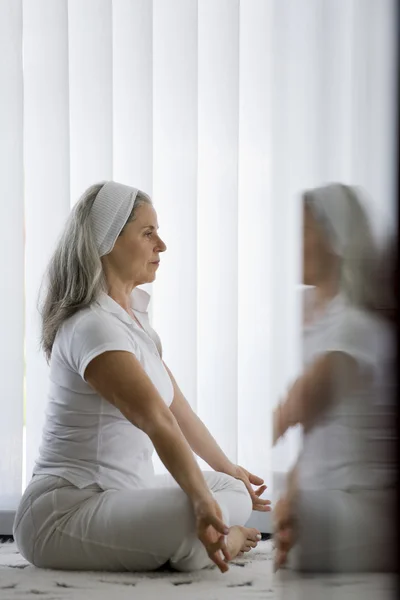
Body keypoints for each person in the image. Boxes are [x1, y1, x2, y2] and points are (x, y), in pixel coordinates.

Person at [13, 181, 270, 573]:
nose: (161, 245)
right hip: (63, 512)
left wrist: (227, 468)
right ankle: (224, 539)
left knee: (231, 490)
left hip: (125, 495)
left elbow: (179, 410)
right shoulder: (91, 327)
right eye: (148, 233)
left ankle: (203, 536)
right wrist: (200, 503)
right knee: (198, 512)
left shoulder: (132, 323)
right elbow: (156, 418)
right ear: (107, 241)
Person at [272, 183, 397, 573]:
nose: (292, 241)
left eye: (304, 230)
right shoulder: (316, 316)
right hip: (329, 496)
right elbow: (311, 438)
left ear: (336, 239)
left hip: (367, 506)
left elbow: (300, 404)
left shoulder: (357, 324)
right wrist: (291, 495)